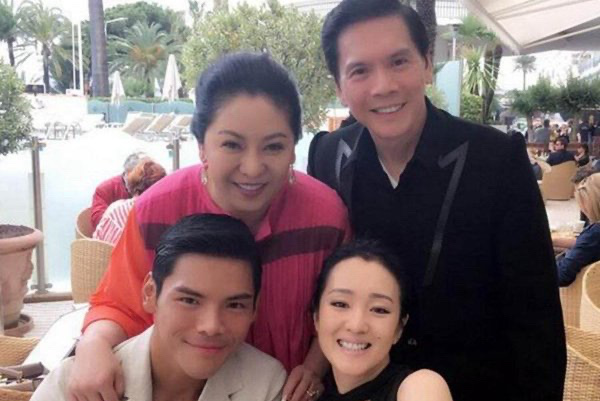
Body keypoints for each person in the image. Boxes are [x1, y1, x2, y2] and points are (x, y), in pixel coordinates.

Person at [307, 1, 565, 400]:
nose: (383, 86)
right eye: (360, 70)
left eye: (399, 62)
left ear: (428, 64)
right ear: (339, 85)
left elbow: (536, 318)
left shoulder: (496, 159)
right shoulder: (328, 157)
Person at [69, 52, 350, 401]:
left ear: (294, 149)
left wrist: (314, 367)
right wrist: (93, 344)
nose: (252, 168)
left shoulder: (326, 217)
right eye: (231, 144)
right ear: (202, 146)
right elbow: (120, 303)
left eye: (274, 146)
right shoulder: (156, 209)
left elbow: (345, 307)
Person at [32, 214, 287, 401]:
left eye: (235, 305)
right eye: (189, 300)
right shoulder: (73, 387)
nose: (211, 326)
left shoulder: (264, 384)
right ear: (150, 293)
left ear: (255, 308)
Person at [312, 240, 452, 401]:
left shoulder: (420, 386)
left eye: (379, 310)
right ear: (316, 317)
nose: (356, 325)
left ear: (399, 328)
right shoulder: (314, 394)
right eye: (340, 304)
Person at [93, 158, 166, 245]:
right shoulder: (105, 189)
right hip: (117, 250)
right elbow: (97, 218)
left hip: (103, 249)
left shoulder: (115, 208)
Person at [556, 175, 600, 286]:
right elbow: (587, 246)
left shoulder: (594, 233)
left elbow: (562, 275)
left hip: (581, 289)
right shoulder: (593, 236)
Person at [90, 152, 148, 230]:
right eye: (134, 178)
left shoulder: (150, 186)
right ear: (126, 173)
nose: (138, 184)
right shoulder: (104, 189)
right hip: (113, 233)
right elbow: (98, 220)